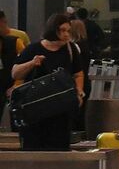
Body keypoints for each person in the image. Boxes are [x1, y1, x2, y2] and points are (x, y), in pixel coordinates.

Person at [10, 14, 86, 151]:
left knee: (59, 146)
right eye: (62, 30)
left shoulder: (70, 49)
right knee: (33, 147)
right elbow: (15, 73)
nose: (66, 34)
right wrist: (32, 63)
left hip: (61, 109)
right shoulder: (33, 49)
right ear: (52, 30)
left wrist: (79, 91)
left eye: (68, 31)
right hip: (35, 110)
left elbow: (78, 73)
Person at [0, 9, 30, 127]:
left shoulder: (16, 40)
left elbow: (26, 62)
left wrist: (17, 85)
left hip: (13, 83)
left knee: (17, 119)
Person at [68, 19, 92, 132]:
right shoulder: (85, 45)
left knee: (75, 116)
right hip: (86, 82)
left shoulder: (74, 47)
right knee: (81, 115)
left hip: (78, 84)